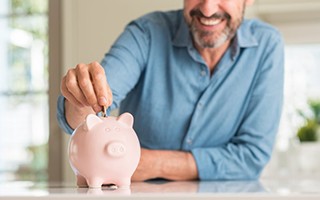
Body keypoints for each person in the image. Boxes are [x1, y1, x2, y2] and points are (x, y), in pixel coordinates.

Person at [57, 0, 284, 181]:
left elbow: (251, 158)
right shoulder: (146, 33)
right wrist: (80, 97)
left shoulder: (266, 45)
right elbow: (86, 116)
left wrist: (152, 163)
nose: (207, 8)